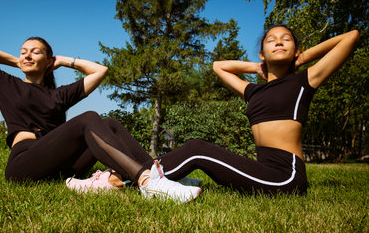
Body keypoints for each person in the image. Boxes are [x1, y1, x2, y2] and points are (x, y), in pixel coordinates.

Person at [0, 37, 201, 203]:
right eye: (23, 51)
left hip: (61, 166)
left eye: (35, 52)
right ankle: (147, 183)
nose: (27, 55)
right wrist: (17, 61)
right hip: (25, 163)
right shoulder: (7, 84)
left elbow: (100, 70)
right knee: (88, 117)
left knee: (109, 122)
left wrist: (64, 60)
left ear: (49, 61)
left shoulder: (58, 95)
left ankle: (162, 175)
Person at [139, 26, 359, 195]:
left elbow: (351, 36)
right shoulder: (253, 92)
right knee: (191, 147)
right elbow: (218, 66)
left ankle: (135, 179)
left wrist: (301, 59)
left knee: (198, 148)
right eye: (271, 40)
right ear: (262, 53)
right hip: (262, 169)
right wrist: (256, 67)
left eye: (286, 39)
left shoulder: (303, 81)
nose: (279, 42)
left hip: (286, 177)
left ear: (297, 50)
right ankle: (135, 175)